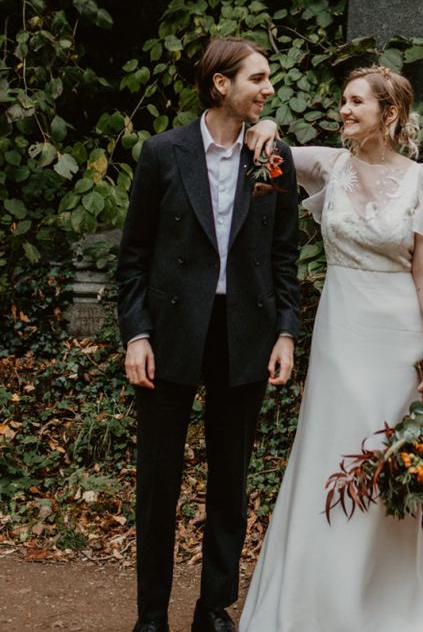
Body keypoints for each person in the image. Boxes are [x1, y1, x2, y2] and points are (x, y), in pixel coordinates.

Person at [240, 65, 423, 631]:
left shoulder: (419, 180)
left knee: (394, 462)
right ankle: (322, 602)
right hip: (342, 334)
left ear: (389, 114)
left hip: (398, 335)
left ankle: (394, 598)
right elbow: (274, 142)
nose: (344, 110)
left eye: (356, 102)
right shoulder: (330, 166)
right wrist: (267, 128)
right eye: (342, 101)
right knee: (331, 454)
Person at [116, 37, 300, 632]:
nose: (268, 90)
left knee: (230, 478)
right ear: (221, 84)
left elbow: (284, 255)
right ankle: (151, 615)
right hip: (169, 331)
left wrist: (286, 333)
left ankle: (213, 608)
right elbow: (134, 254)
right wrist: (136, 334)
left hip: (244, 330)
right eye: (259, 79)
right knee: (158, 480)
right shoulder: (162, 153)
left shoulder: (274, 157)